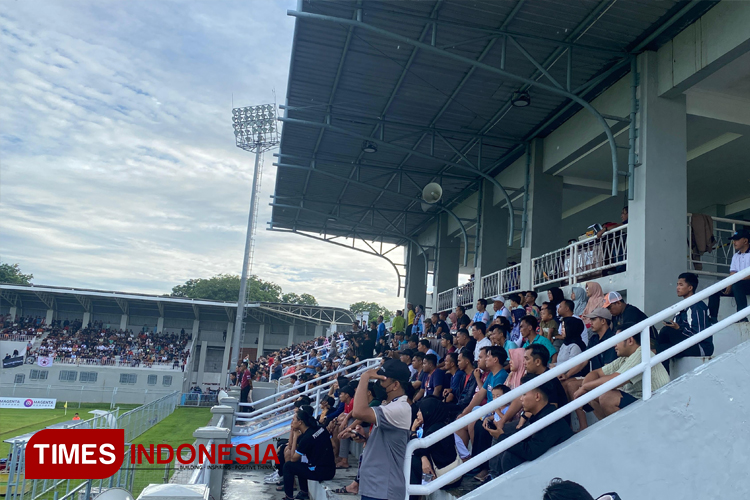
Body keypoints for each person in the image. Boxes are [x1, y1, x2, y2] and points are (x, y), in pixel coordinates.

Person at [485, 374, 573, 476]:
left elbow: (531, 452)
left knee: (509, 457)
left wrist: (501, 437)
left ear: (537, 396)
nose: (521, 399)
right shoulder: (541, 415)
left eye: (524, 394)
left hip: (556, 469)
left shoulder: (549, 419)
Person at [573, 328, 670, 420]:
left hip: (657, 404)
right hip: (643, 401)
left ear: (630, 340)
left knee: (607, 397)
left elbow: (615, 381)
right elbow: (596, 372)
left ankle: (622, 434)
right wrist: (586, 387)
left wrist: (585, 387)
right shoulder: (624, 358)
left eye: (617, 340)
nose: (614, 345)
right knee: (593, 393)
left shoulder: (641, 354)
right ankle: (608, 431)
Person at [352, 358, 413, 500]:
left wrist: (364, 377)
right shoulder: (391, 405)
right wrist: (365, 436)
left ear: (395, 384)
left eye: (382, 380)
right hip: (374, 486)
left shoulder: (400, 408)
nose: (378, 384)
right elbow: (388, 441)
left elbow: (359, 411)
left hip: (384, 488)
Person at [559, 307, 617, 431]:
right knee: (567, 383)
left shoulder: (612, 338)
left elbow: (609, 369)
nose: (590, 323)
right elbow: (584, 360)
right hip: (595, 377)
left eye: (594, 319)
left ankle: (593, 424)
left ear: (603, 321)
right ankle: (578, 425)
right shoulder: (593, 339)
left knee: (572, 386)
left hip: (606, 378)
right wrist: (568, 375)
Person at [457, 346, 508, 482]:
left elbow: (498, 401)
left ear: (495, 359)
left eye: (488, 356)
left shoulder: (501, 376)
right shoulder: (491, 374)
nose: (485, 359)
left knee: (475, 424)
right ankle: (470, 459)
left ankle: (480, 463)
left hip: (495, 412)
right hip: (487, 410)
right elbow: (480, 394)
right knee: (462, 424)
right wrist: (464, 412)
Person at [657, 272, 713, 372]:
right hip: (687, 344)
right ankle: (663, 382)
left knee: (666, 331)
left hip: (700, 347)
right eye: (677, 284)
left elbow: (699, 334)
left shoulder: (697, 306)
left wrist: (679, 329)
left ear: (690, 288)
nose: (677, 288)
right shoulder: (681, 306)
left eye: (681, 285)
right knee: (662, 348)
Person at [278, 405, 335, 500]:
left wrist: (295, 436)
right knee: (303, 465)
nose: (292, 423)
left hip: (320, 471)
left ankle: (289, 497)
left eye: (293, 420)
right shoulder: (321, 428)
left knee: (288, 466)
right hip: (330, 469)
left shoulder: (306, 438)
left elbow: (293, 459)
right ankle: (304, 492)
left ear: (300, 422)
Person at [410, 397, 462, 488]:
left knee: (413, 462)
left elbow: (417, 449)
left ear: (428, 412)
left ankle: (421, 490)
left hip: (445, 478)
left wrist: (413, 430)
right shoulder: (438, 425)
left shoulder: (434, 430)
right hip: (452, 476)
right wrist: (423, 457)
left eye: (420, 411)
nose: (417, 414)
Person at [709, 229, 750, 321]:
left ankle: (741, 316)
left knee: (737, 285)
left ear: (745, 240)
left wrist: (734, 281)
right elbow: (733, 272)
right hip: (737, 284)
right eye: (734, 240)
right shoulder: (736, 256)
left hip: (746, 283)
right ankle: (713, 318)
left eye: (737, 240)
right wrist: (729, 283)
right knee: (715, 289)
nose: (734, 242)